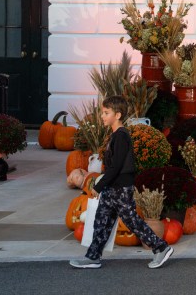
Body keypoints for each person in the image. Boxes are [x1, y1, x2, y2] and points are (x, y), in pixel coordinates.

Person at [71, 95, 174, 270]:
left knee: (132, 221)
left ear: (117, 115)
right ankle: (93, 257)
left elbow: (117, 166)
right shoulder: (115, 135)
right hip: (112, 188)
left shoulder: (121, 136)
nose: (102, 116)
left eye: (106, 112)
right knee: (101, 222)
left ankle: (161, 248)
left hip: (120, 188)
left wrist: (98, 186)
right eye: (102, 112)